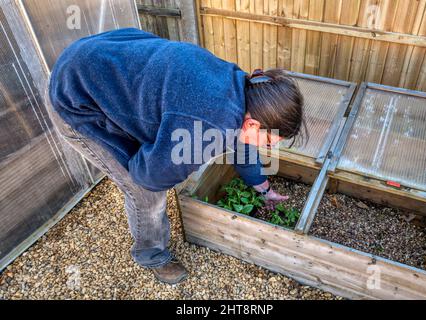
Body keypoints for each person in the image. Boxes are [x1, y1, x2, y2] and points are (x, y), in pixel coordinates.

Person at [47, 28, 307, 284]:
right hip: (76, 96)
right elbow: (148, 178)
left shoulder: (242, 87)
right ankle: (151, 256)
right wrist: (161, 156)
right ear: (253, 124)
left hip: (101, 53)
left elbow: (241, 139)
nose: (270, 149)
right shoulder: (208, 128)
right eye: (271, 141)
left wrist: (262, 188)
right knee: (145, 193)